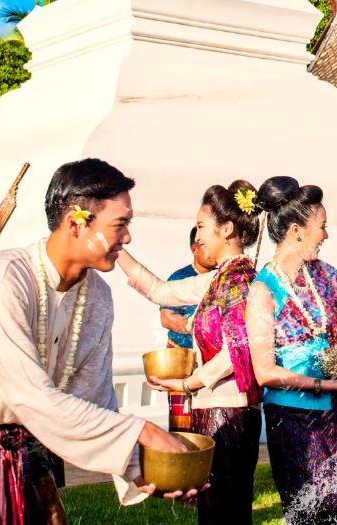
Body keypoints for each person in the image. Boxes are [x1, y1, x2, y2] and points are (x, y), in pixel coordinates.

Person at [0, 159, 198, 524]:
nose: (128, 237)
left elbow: (95, 398)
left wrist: (147, 468)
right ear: (76, 223)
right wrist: (143, 430)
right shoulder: (5, 279)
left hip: (22, 446)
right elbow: (30, 396)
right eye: (120, 224)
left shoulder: (99, 297)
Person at [117, 181, 264, 524]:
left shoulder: (240, 282)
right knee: (215, 510)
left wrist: (189, 384)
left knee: (223, 511)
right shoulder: (219, 279)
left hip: (229, 410)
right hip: (213, 408)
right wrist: (112, 244)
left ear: (226, 229)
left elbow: (235, 350)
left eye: (201, 226)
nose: (197, 236)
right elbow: (160, 291)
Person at [245, 176, 337, 524]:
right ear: (296, 230)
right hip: (292, 422)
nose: (327, 235)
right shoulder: (262, 290)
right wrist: (324, 384)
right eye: (322, 227)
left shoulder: (326, 274)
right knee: (313, 517)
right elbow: (265, 372)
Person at [160, 227, 216, 432]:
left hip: (210, 358)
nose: (211, 251)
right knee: (182, 418)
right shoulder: (180, 277)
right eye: (204, 246)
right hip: (182, 355)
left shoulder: (221, 277)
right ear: (194, 249)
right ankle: (183, 457)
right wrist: (199, 329)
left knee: (208, 417)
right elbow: (167, 318)